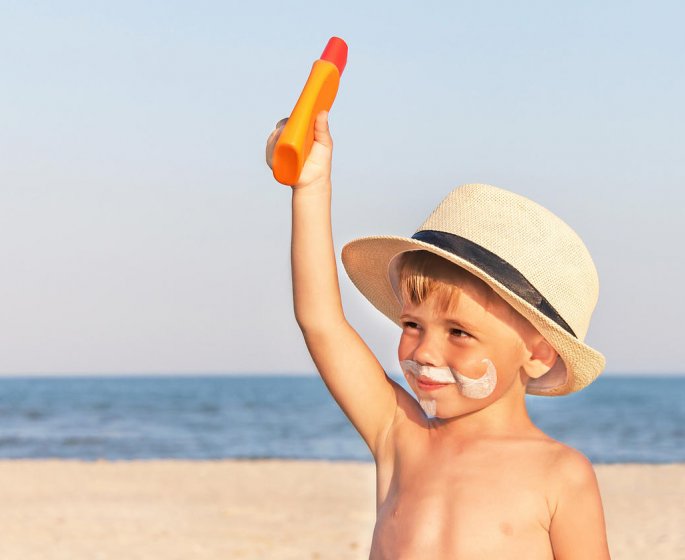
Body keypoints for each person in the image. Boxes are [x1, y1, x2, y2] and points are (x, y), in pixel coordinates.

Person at [266, 111, 611, 559]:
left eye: (460, 333)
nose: (425, 351)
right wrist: (310, 188)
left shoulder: (560, 475)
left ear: (539, 353)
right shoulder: (399, 434)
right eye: (413, 324)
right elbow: (321, 322)